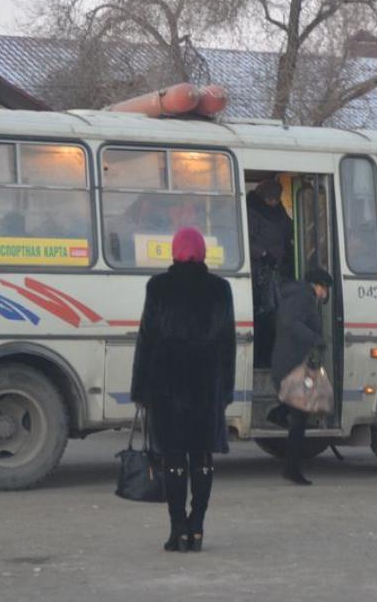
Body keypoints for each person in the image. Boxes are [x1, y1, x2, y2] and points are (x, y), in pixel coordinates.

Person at [130, 227, 237, 552]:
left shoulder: (158, 287)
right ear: (202, 252)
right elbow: (227, 343)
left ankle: (177, 529)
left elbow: (146, 339)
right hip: (206, 383)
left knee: (173, 459)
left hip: (167, 382)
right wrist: (226, 390)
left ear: (174, 252)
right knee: (202, 458)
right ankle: (198, 527)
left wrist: (140, 388)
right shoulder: (220, 289)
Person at [270, 267, 333, 485]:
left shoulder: (298, 295)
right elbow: (290, 323)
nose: (325, 295)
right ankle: (292, 469)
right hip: (292, 366)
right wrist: (315, 339)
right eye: (326, 289)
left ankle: (292, 466)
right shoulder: (303, 299)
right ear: (319, 286)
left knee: (298, 416)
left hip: (288, 364)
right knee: (299, 420)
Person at [247, 178, 294, 366]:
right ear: (263, 196)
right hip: (260, 274)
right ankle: (262, 360)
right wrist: (264, 254)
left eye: (277, 198)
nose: (275, 202)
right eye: (272, 199)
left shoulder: (279, 211)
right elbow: (246, 241)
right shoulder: (251, 212)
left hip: (277, 272)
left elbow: (289, 229)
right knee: (264, 317)